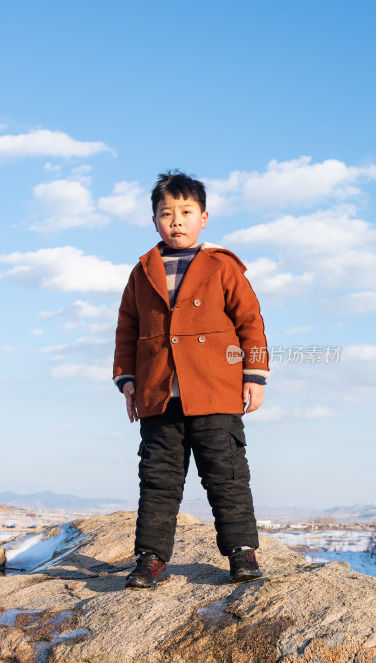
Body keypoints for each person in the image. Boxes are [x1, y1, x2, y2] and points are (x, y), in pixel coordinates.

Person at [113, 171, 270, 587]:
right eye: (166, 213)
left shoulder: (222, 266)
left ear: (204, 217)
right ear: (154, 221)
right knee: (158, 481)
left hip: (215, 393)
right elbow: (127, 328)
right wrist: (127, 380)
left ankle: (242, 553)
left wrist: (254, 375)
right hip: (159, 395)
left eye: (186, 212)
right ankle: (150, 559)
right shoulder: (142, 271)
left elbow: (251, 322)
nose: (176, 221)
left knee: (227, 475)